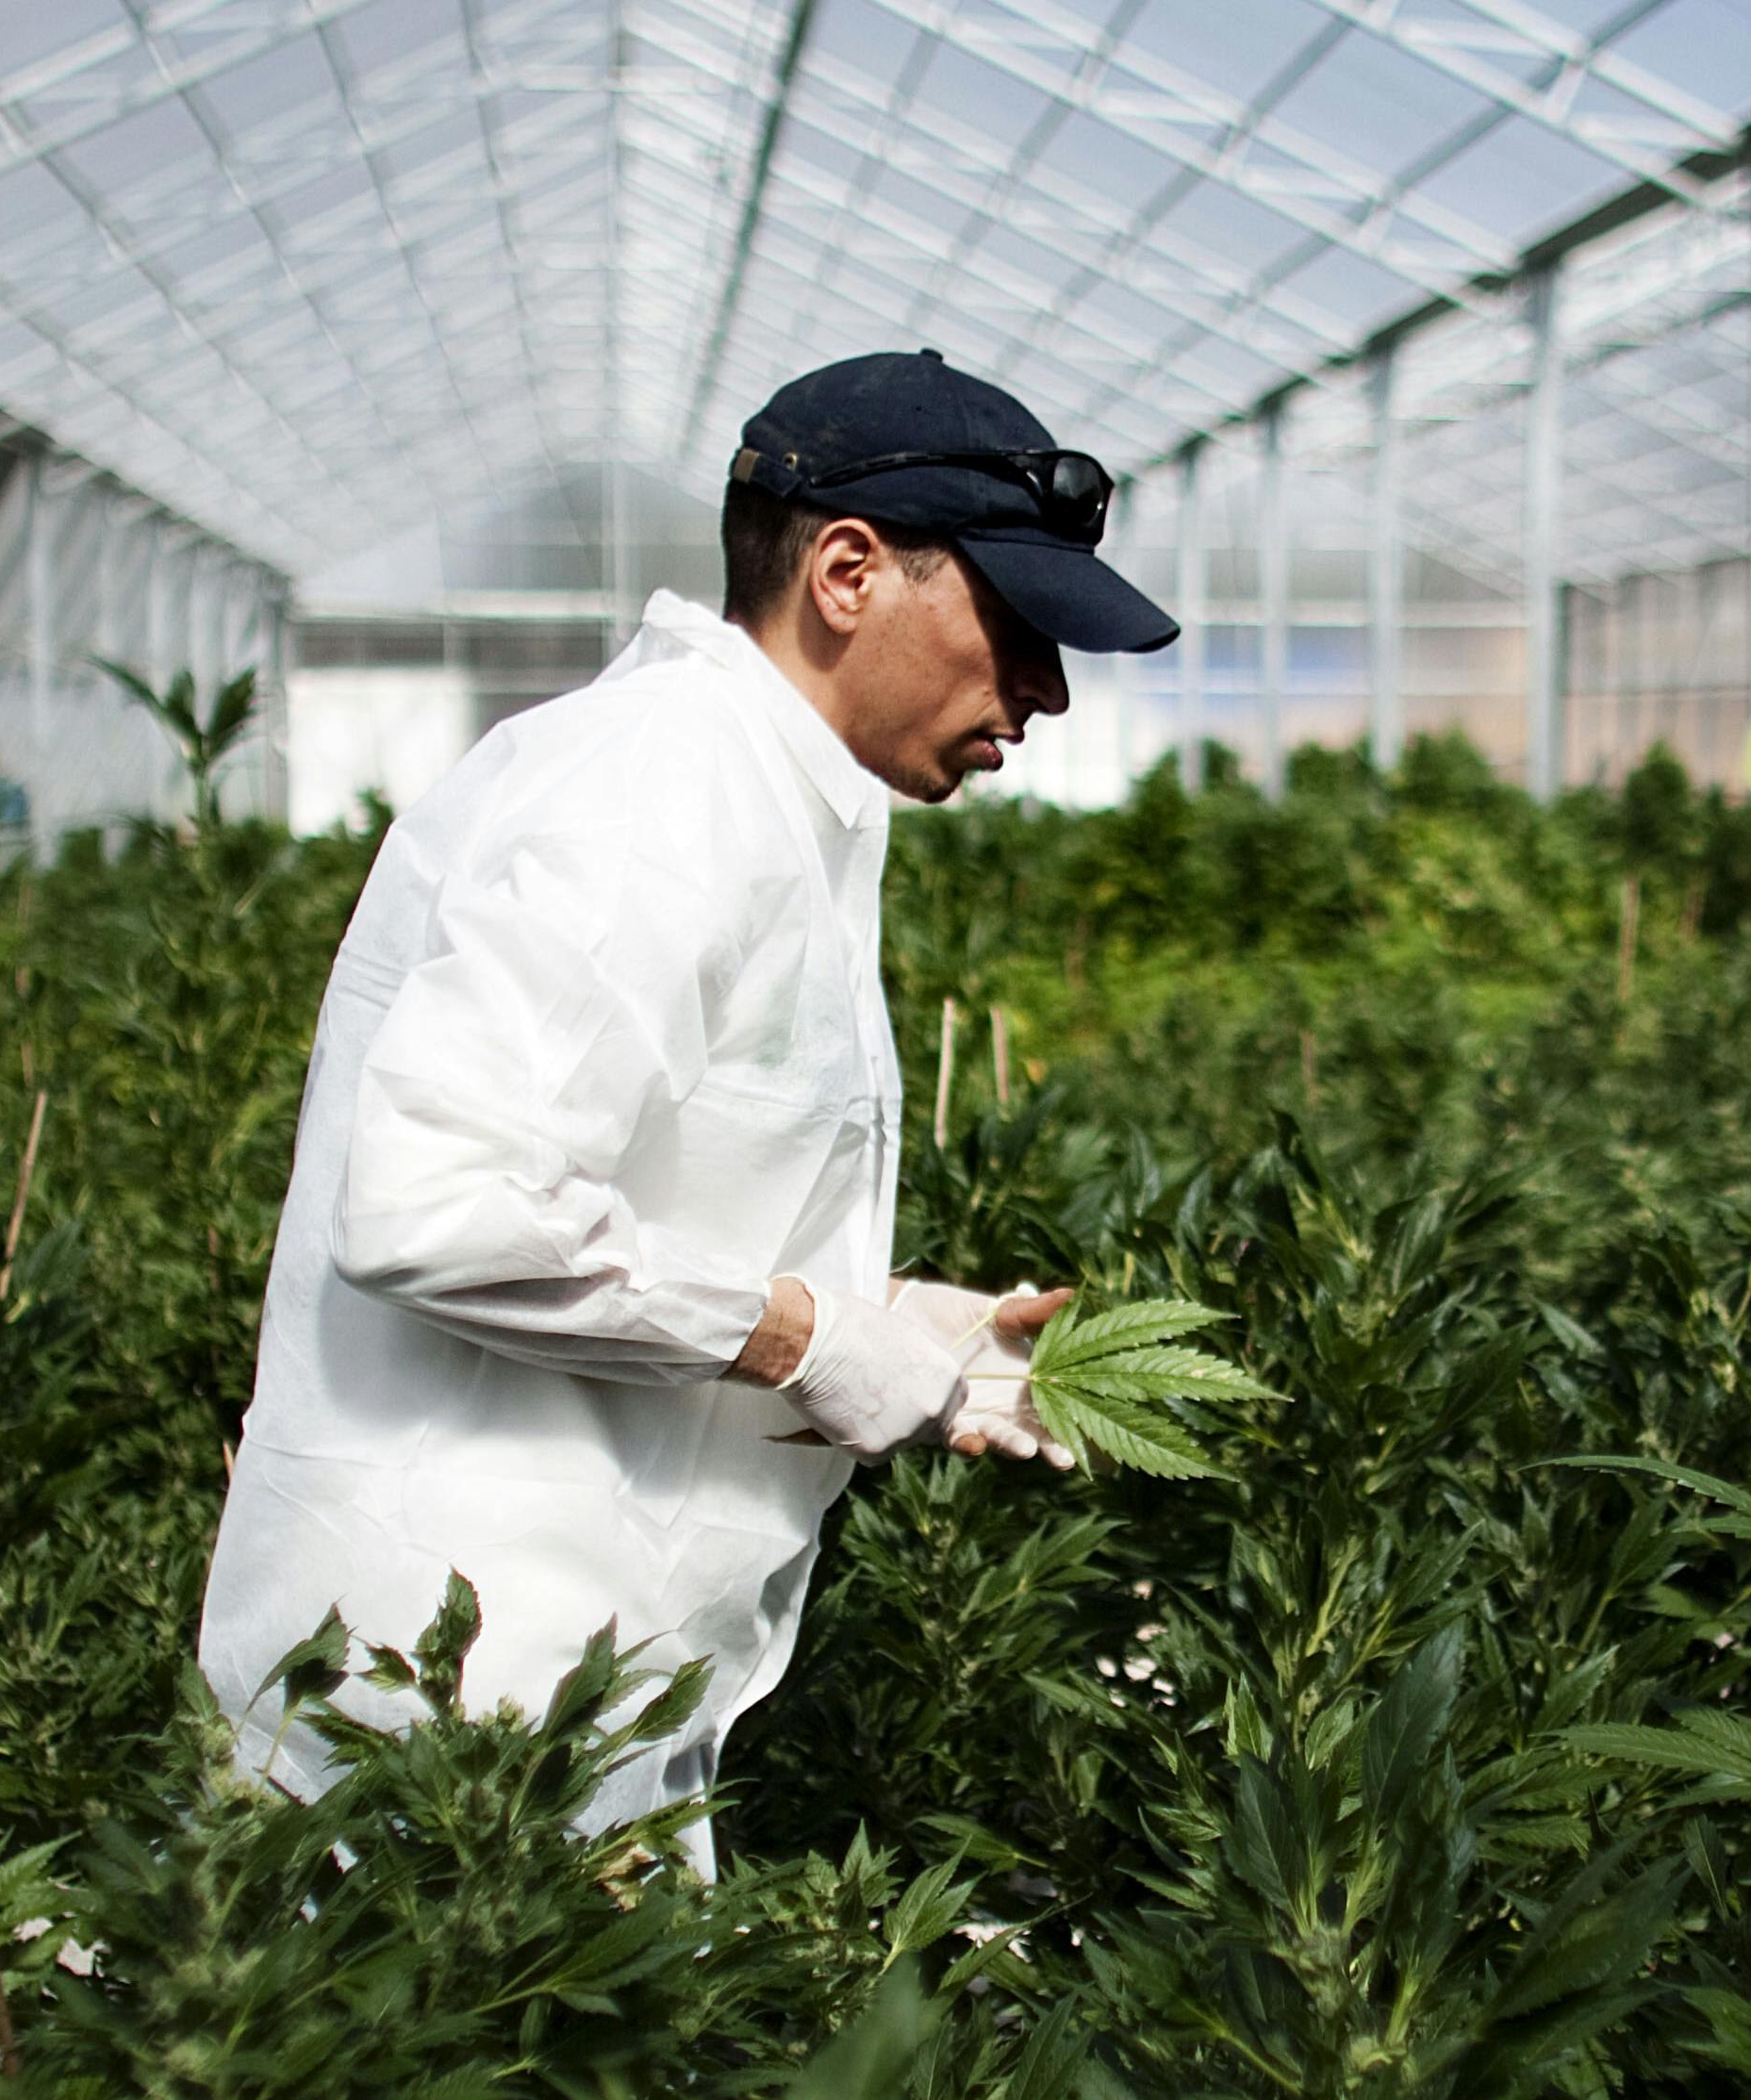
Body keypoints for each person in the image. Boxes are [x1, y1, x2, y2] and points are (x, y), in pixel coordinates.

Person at [195, 350, 1180, 1871]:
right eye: (1018, 627)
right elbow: (442, 1209)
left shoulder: (773, 797)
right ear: (847, 572)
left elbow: (636, 1182)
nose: (1046, 690)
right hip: (452, 1699)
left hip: (564, 1679)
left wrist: (894, 1324)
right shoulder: (657, 795)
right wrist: (807, 1340)